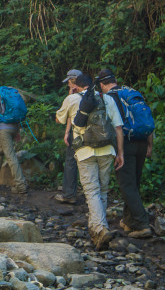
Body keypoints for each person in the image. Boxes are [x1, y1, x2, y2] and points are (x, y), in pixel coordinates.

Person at [56, 73, 124, 250]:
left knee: (91, 190)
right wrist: (120, 153)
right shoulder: (107, 98)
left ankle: (101, 228)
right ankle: (95, 230)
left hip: (85, 151)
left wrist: (70, 94)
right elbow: (118, 127)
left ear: (76, 86)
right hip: (107, 150)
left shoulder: (72, 98)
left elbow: (59, 119)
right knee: (103, 189)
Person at [96, 68, 153, 238]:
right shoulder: (131, 91)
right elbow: (147, 118)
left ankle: (143, 225)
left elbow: (114, 126)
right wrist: (150, 145)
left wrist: (117, 150)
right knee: (133, 184)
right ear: (115, 80)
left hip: (125, 144)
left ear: (101, 84)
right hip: (142, 141)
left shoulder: (108, 98)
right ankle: (129, 222)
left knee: (126, 185)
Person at [0, 74, 27, 194]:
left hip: (3, 130)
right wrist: (17, 131)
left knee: (10, 156)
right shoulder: (6, 92)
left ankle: (21, 186)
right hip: (13, 127)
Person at [54, 68, 82, 204]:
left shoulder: (72, 98)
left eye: (69, 83)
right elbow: (72, 115)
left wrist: (68, 97)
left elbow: (59, 119)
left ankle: (69, 194)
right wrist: (66, 132)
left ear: (73, 82)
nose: (68, 86)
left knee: (71, 162)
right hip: (95, 135)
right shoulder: (93, 94)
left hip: (77, 135)